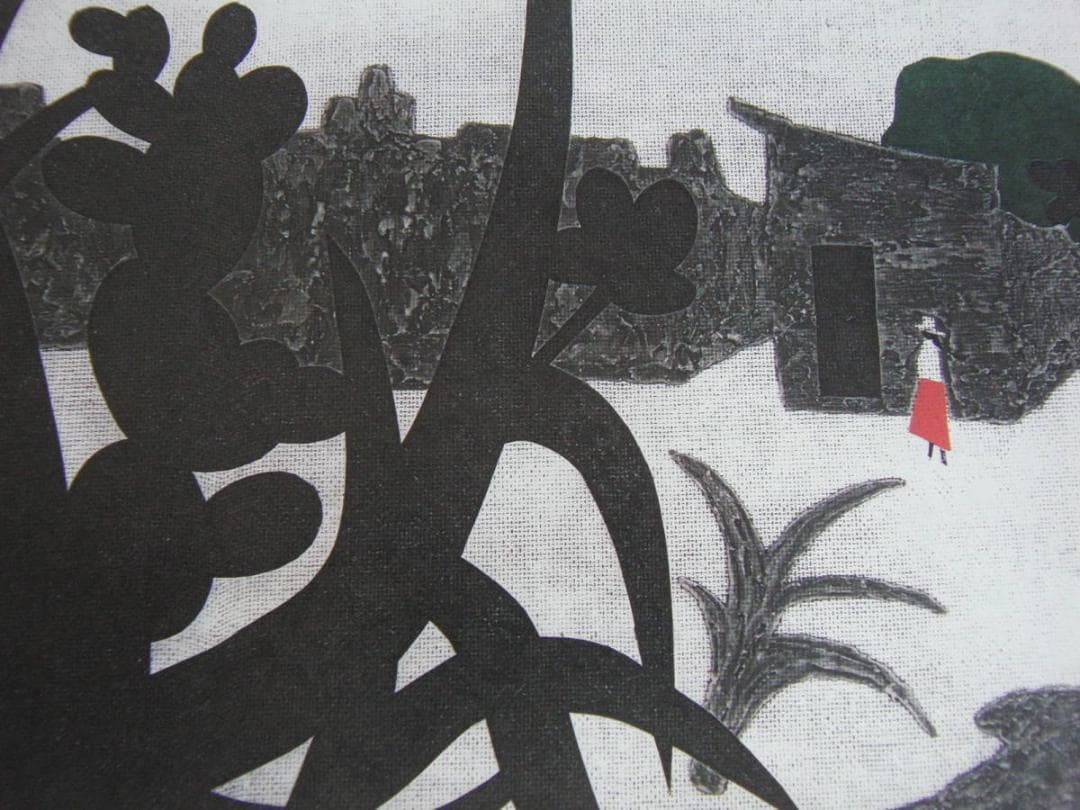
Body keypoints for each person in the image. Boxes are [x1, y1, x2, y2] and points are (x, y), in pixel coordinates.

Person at [908, 315, 951, 465]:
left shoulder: (928, 348)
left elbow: (914, 364)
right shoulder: (936, 348)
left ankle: (934, 450)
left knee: (932, 417)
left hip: (929, 385)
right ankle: (935, 450)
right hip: (934, 384)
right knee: (935, 417)